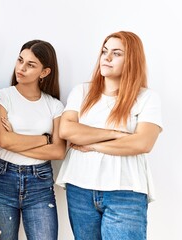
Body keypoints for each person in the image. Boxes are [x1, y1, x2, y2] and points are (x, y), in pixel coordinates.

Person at [56, 31, 163, 240]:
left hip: (126, 192)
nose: (106, 57)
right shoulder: (82, 92)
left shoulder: (147, 98)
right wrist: (116, 134)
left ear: (131, 60)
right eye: (105, 51)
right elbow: (67, 130)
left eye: (116, 53)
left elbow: (142, 143)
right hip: (80, 188)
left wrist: (93, 145)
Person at [0, 40, 66, 240]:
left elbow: (58, 151)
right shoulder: (2, 97)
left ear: (45, 72)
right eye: (20, 60)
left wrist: (16, 140)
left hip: (40, 182)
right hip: (3, 178)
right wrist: (44, 139)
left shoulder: (54, 106)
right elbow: (4, 140)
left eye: (30, 65)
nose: (21, 68)